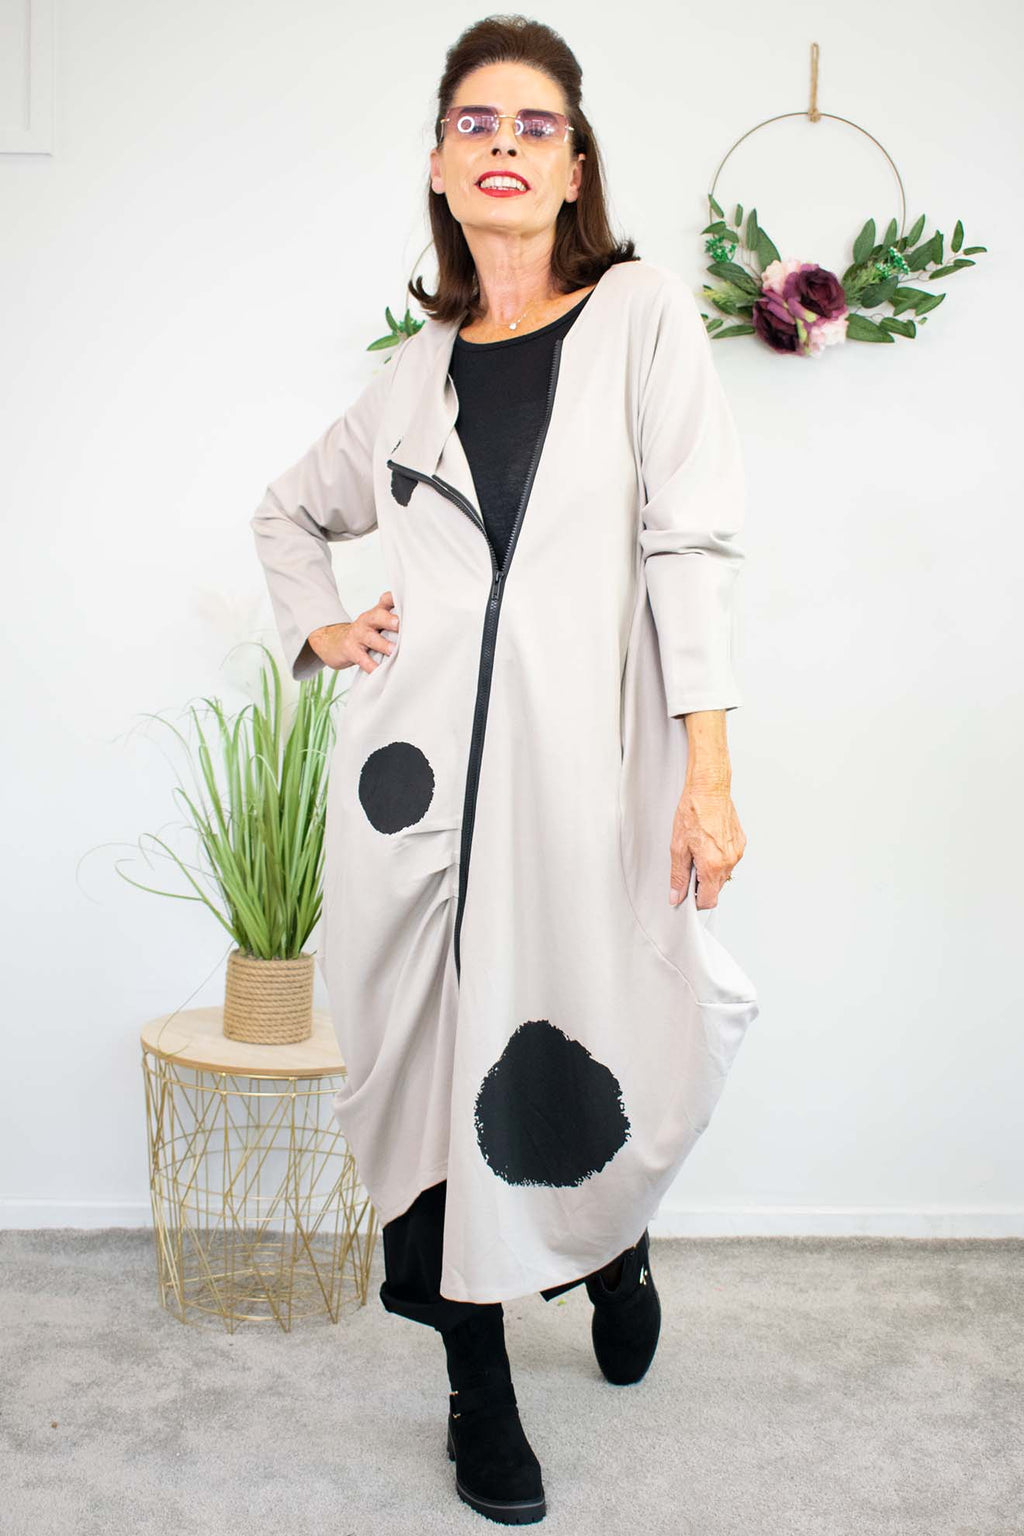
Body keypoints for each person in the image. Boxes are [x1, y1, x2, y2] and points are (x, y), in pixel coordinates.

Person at [250, 15, 759, 1525]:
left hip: (585, 776)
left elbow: (690, 548)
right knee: (422, 1070)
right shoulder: (408, 379)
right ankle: (476, 1382)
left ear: (576, 166)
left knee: (603, 1023)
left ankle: (611, 1239)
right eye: (476, 122)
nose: (504, 147)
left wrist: (709, 769)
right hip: (410, 796)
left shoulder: (643, 319)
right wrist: (325, 627)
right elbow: (288, 515)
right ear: (438, 163)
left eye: (537, 126)